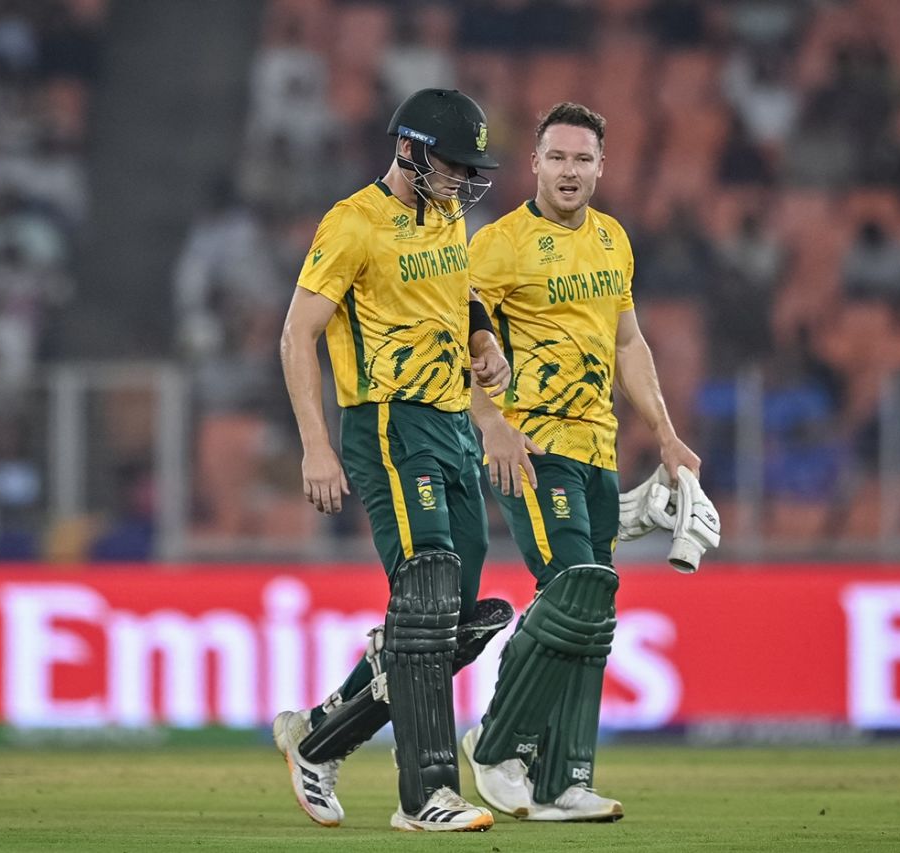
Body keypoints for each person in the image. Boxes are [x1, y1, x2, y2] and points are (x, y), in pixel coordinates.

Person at [273, 88, 511, 833]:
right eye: (452, 164)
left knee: (451, 621)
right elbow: (297, 334)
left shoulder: (447, 214)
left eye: (470, 168)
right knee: (429, 588)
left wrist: (484, 341)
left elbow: (460, 296)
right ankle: (425, 794)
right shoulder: (352, 223)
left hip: (452, 424)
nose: (463, 180)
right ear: (409, 149)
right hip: (387, 421)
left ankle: (319, 738)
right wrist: (316, 444)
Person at [461, 102, 702, 821]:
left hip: (599, 446)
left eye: (583, 158)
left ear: (601, 167)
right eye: (558, 157)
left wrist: (665, 433)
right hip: (534, 446)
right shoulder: (498, 246)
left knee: (593, 607)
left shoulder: (613, 241)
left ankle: (565, 776)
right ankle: (497, 747)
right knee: (573, 587)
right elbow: (453, 336)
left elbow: (628, 343)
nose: (570, 170)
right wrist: (490, 424)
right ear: (535, 163)